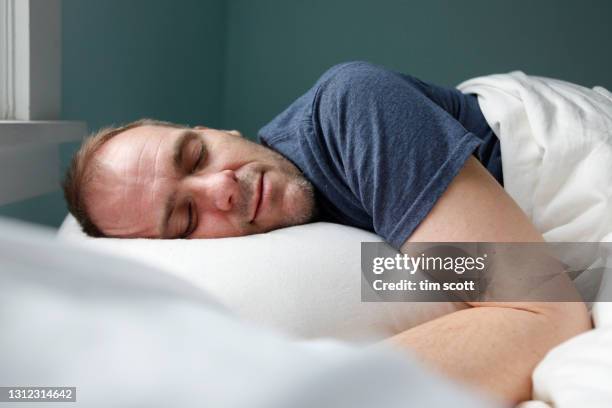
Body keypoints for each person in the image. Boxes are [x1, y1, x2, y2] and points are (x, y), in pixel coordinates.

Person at [62, 61, 590, 404]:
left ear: (221, 131)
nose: (218, 188)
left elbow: (542, 309)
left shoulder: (351, 107)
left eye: (197, 156)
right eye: (185, 218)